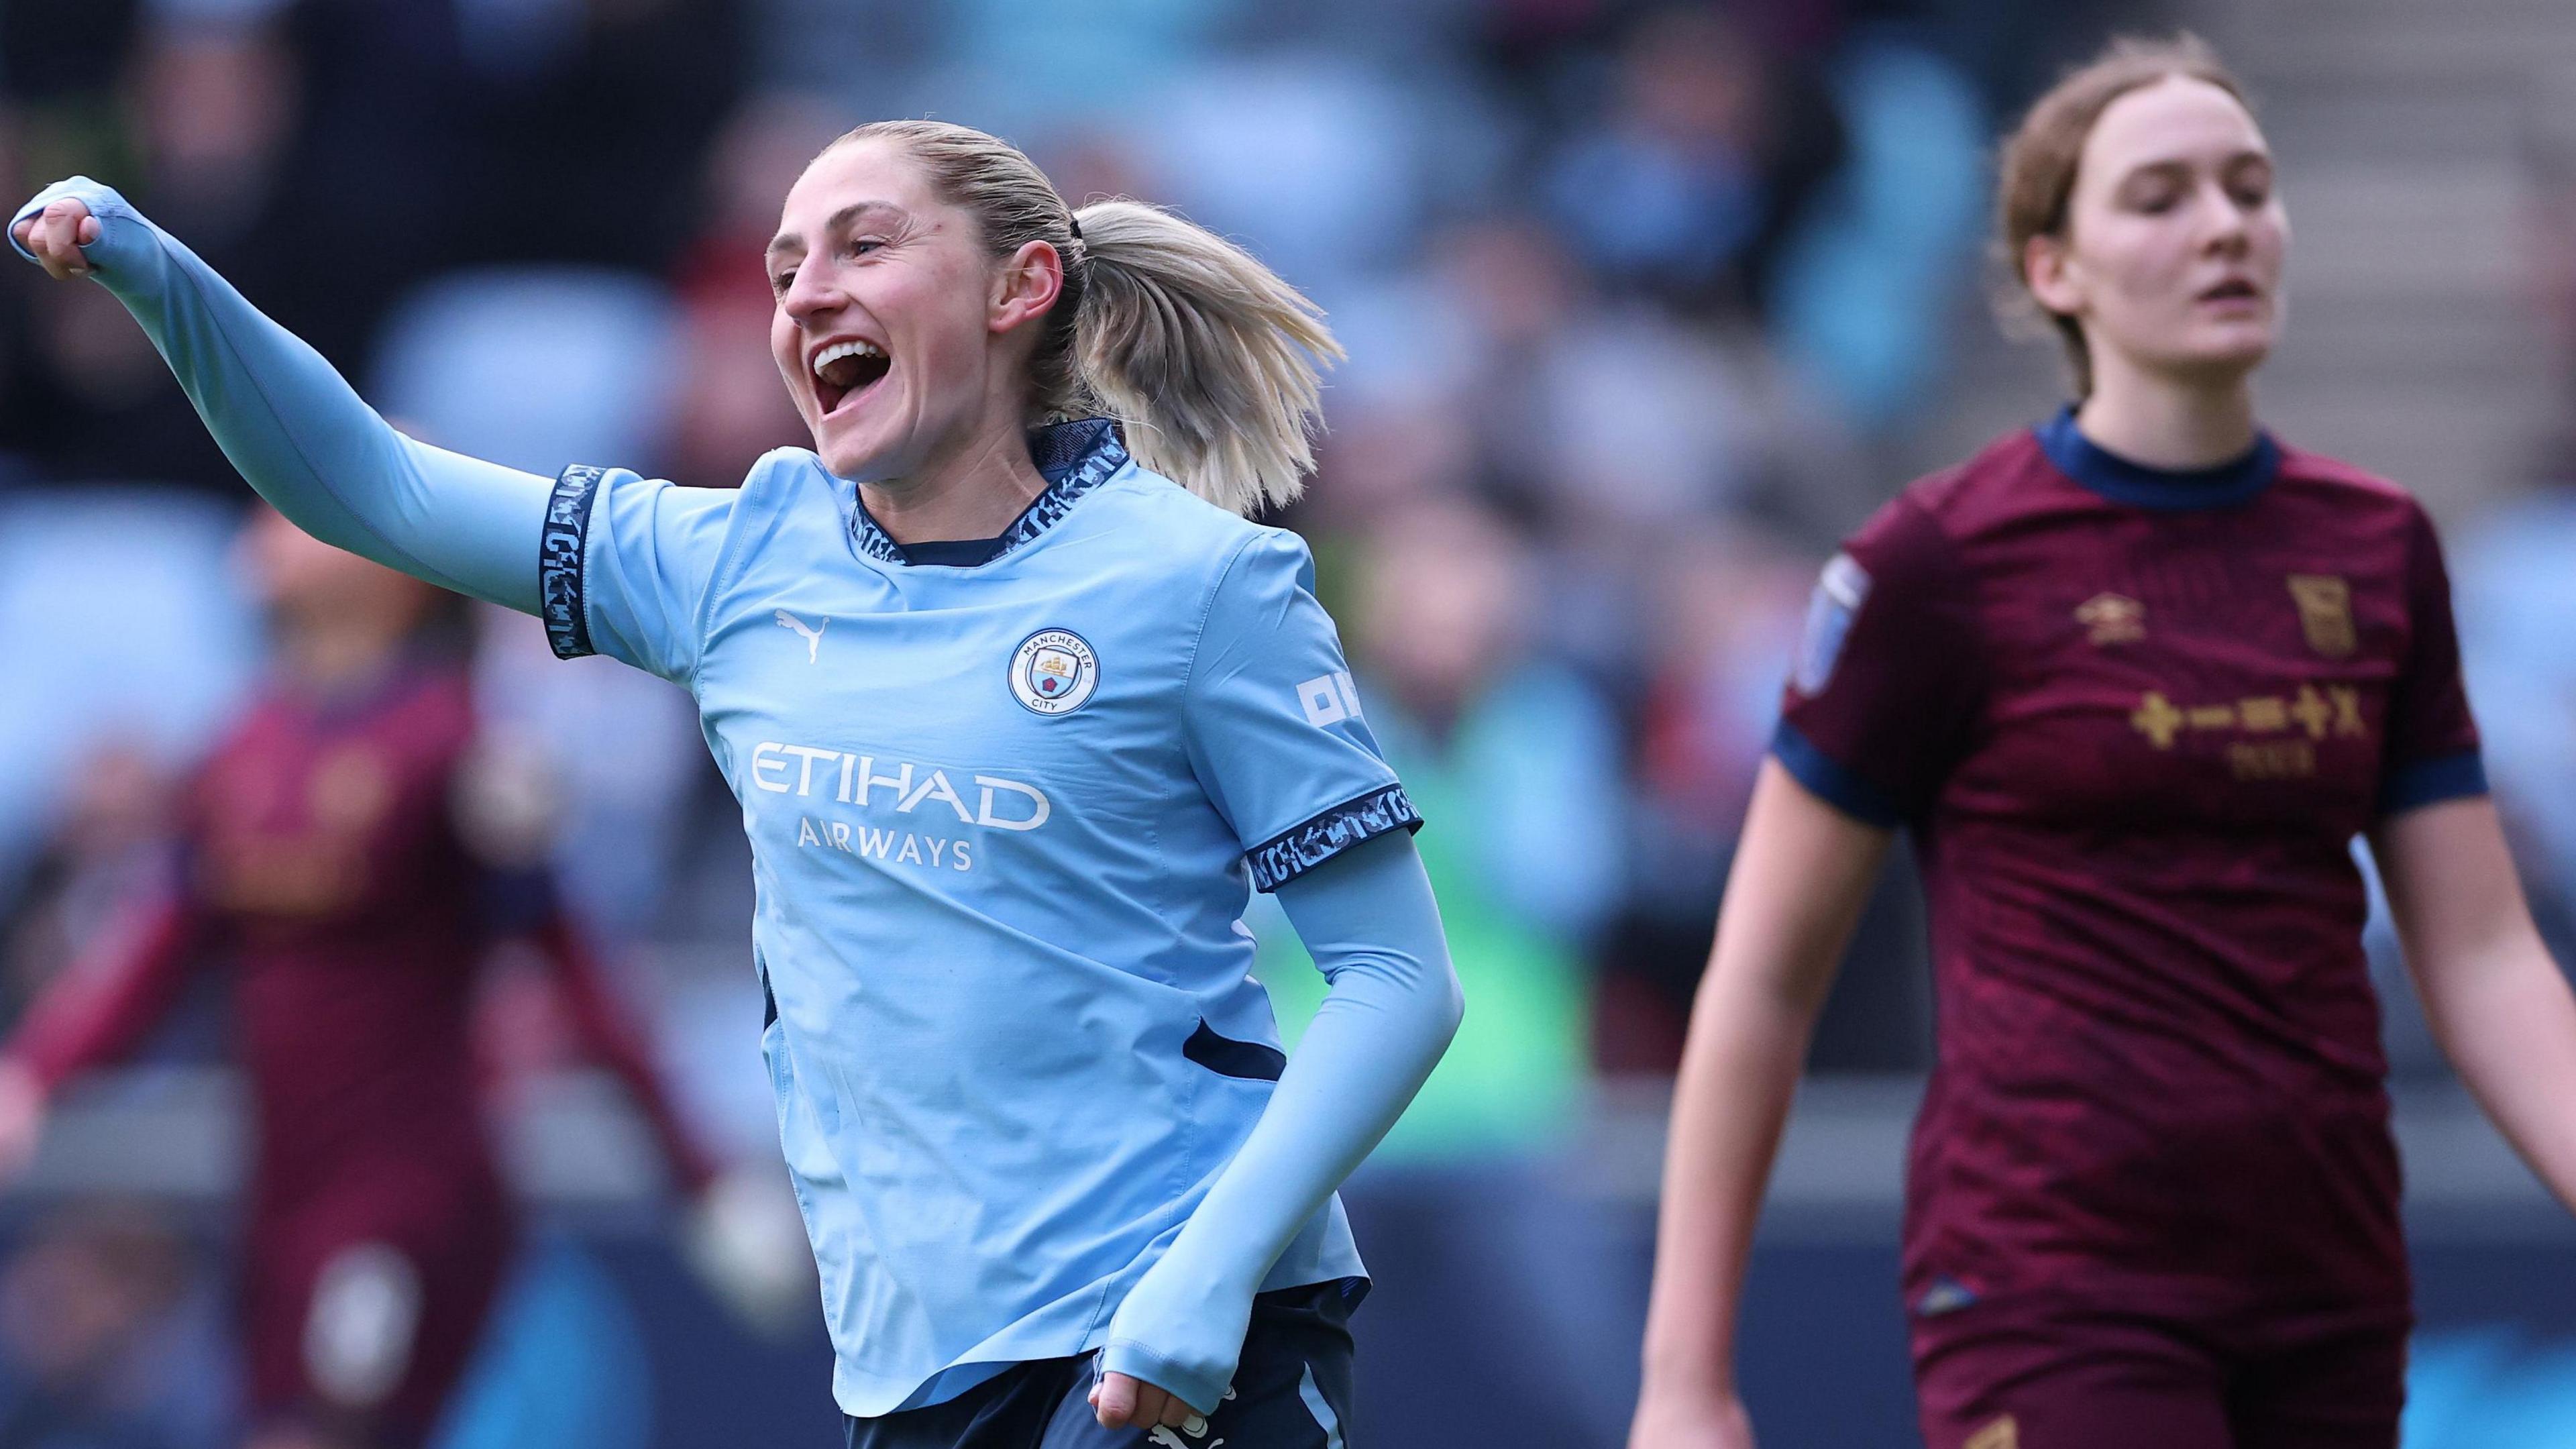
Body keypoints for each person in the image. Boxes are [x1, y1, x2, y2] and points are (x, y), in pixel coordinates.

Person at [11, 114, 1462, 1448]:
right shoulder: (741, 558)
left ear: (1021, 288)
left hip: (1173, 1336)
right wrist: (157, 277)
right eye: (782, 269)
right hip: (918, 1359)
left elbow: (1398, 978)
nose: (804, 294)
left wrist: (1208, 1282)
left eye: (864, 245)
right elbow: (372, 487)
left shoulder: (1204, 585)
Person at [1629, 35, 2576, 1449]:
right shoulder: (1937, 565)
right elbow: (1763, 986)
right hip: (2051, 1291)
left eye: (2249, 188)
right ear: (2053, 269)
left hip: (2329, 1288)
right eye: (2161, 196)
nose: (2224, 226)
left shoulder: (2378, 552)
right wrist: (1684, 1382)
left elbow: (2484, 953)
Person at [0, 508, 722, 1449]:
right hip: (281, 1190)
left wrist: (694, 1171)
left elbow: (570, 963)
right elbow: (157, 956)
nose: (275, 520)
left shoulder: (453, 751)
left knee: (331, 1425)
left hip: (410, 1193)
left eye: (310, 507)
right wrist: (34, 1075)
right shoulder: (241, 749)